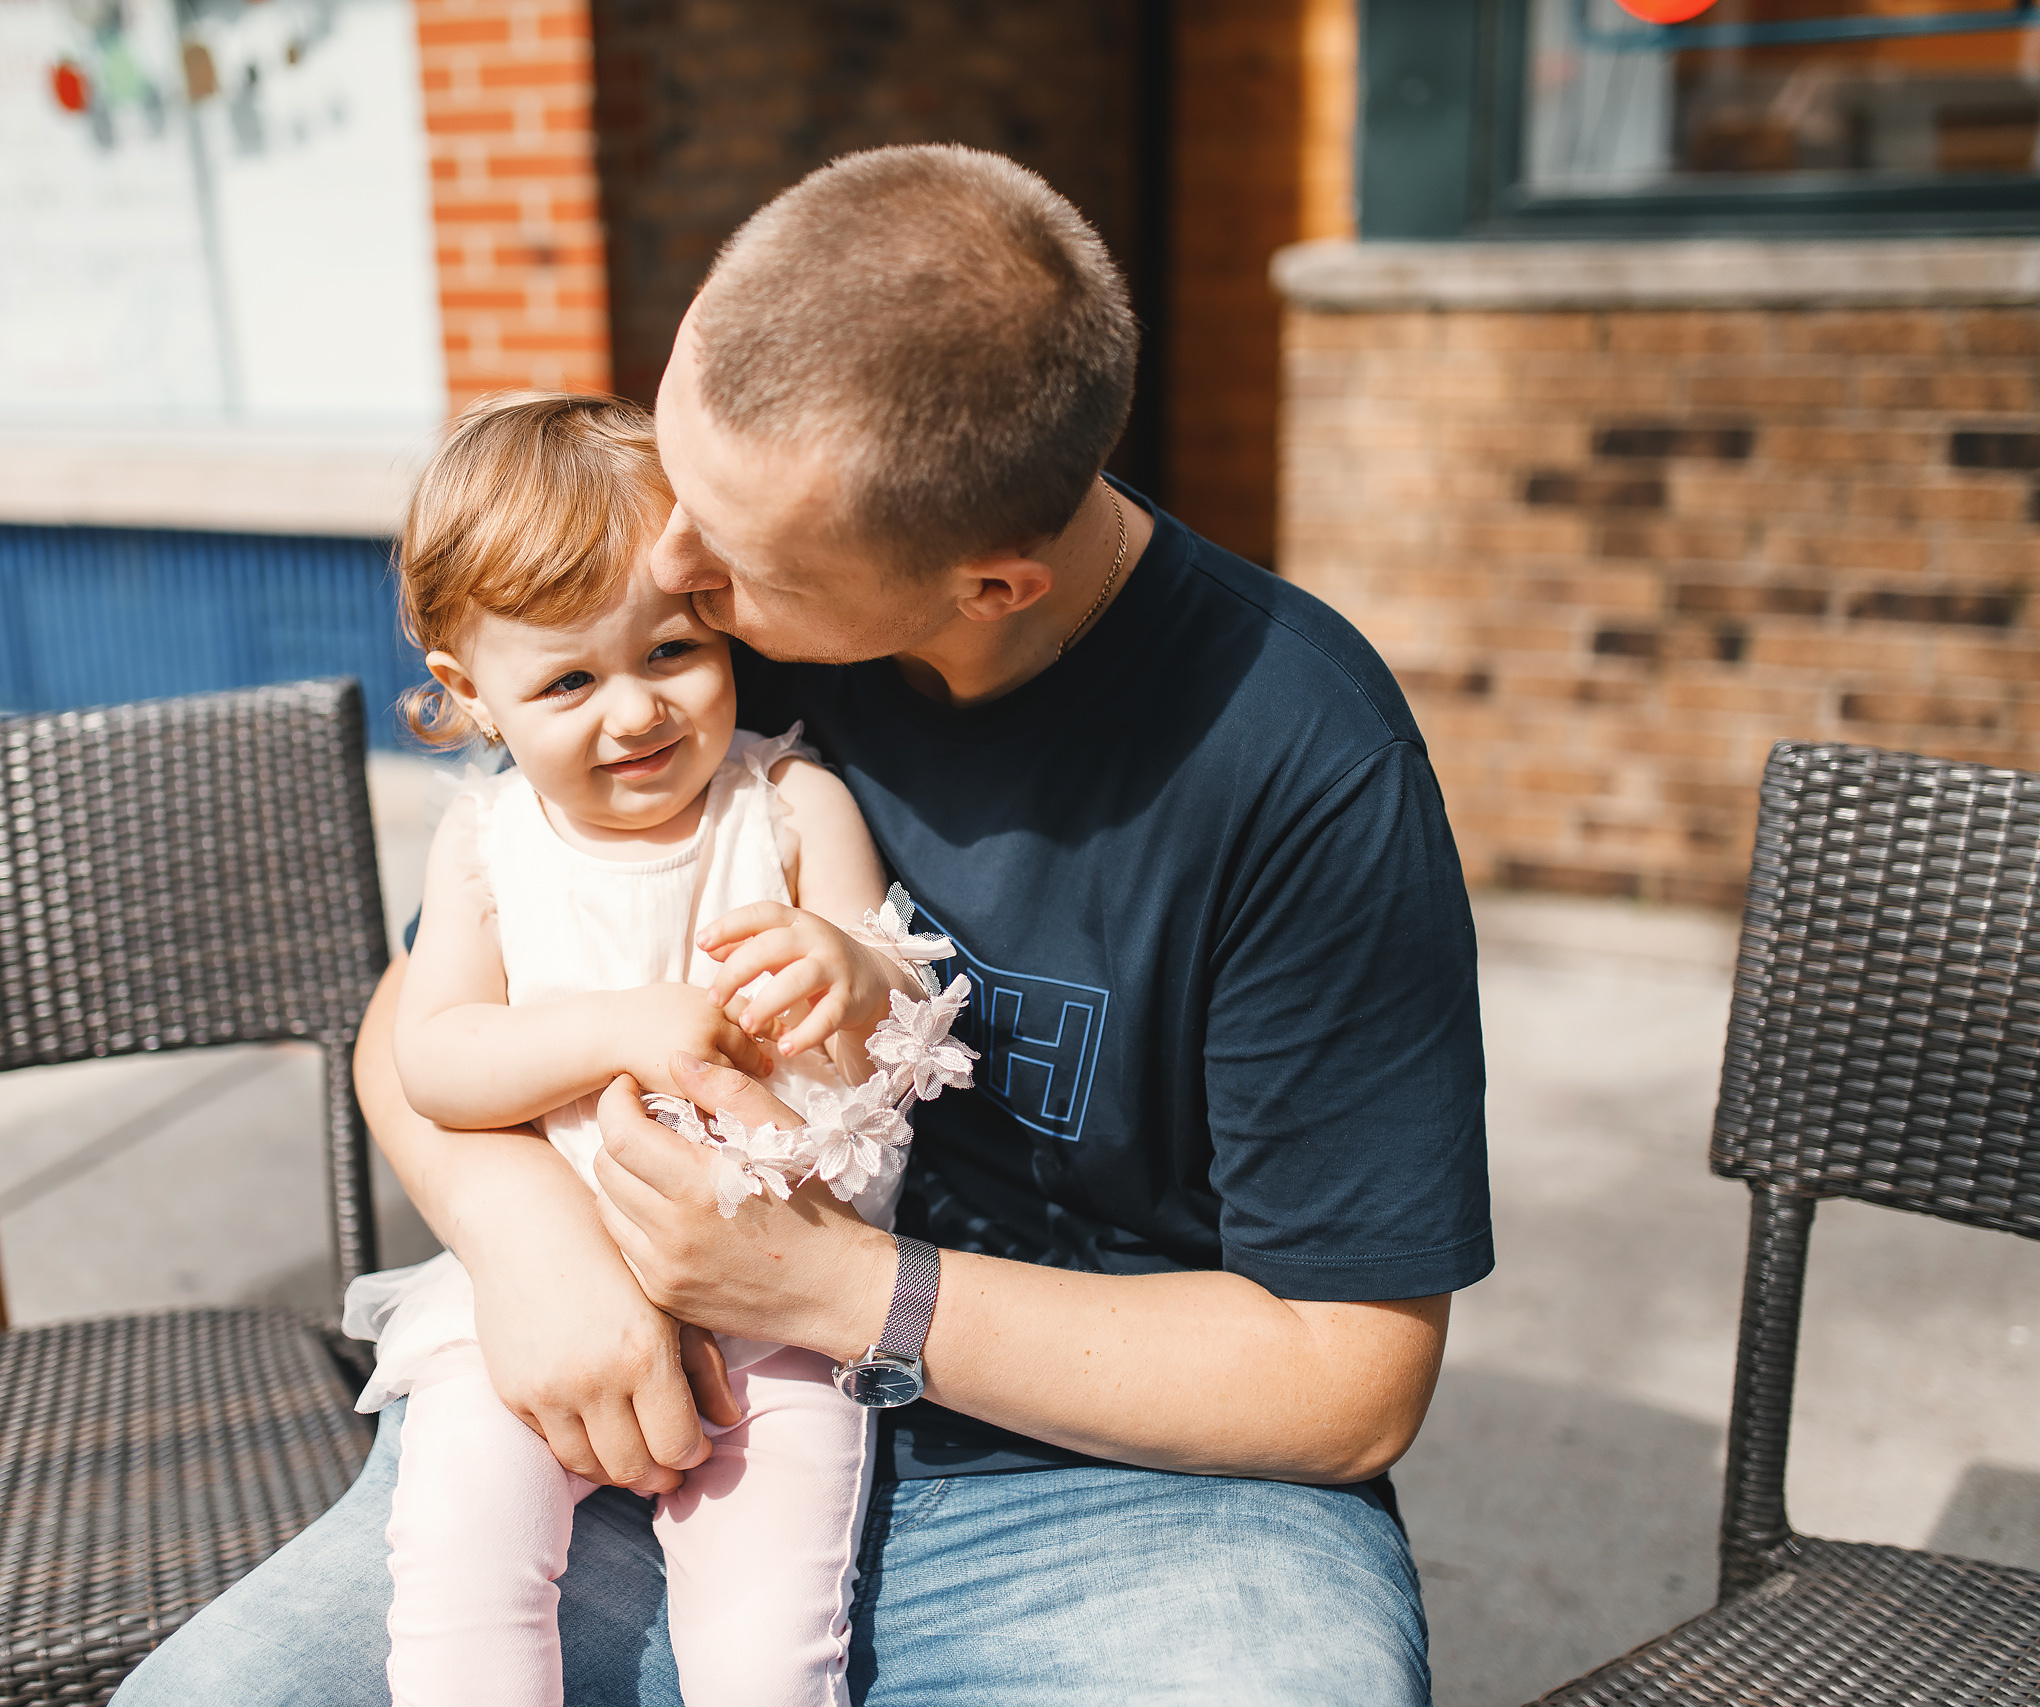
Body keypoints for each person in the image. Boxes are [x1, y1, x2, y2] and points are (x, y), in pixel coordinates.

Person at [114, 142, 1489, 1707]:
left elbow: (1351, 1383)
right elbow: (414, 1026)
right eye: (684, 490)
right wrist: (536, 1249)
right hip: (651, 1399)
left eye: (732, 564)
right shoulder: (681, 649)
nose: (674, 574)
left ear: (991, 586)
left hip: (1122, 1493)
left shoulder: (1302, 761)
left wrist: (837, 1289)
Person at [352, 390, 977, 1706]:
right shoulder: (488, 847)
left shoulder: (790, 804)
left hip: (779, 1301)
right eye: (570, 680)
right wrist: (617, 1029)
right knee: (459, 1570)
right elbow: (441, 1061)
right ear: (472, 694)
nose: (634, 713)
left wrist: (849, 971)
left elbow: (896, 1048)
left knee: (766, 1635)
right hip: (540, 1301)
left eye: (673, 653)